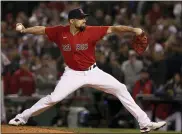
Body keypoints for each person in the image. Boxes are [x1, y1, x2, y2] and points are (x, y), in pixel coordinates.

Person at [9, 8, 166, 133]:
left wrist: (133, 30)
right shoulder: (60, 31)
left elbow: (113, 28)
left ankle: (145, 124)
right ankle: (21, 117)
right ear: (72, 21)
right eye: (81, 18)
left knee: (121, 88)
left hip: (93, 72)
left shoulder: (91, 30)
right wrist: (25, 30)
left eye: (85, 17)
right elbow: (42, 29)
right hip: (72, 73)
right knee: (54, 98)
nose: (84, 20)